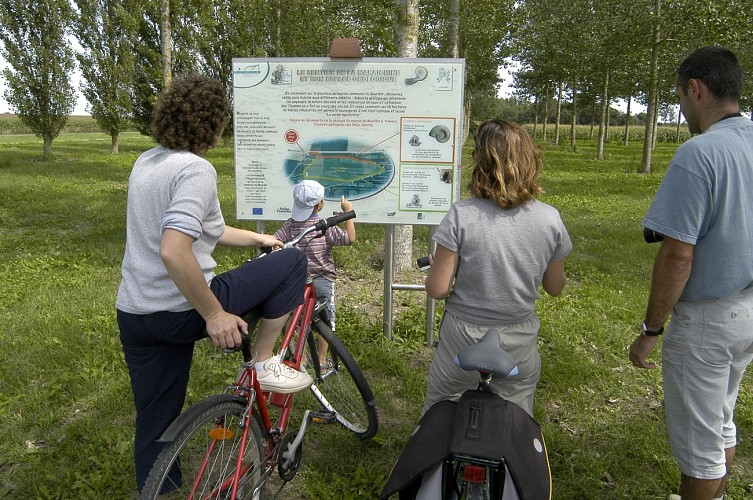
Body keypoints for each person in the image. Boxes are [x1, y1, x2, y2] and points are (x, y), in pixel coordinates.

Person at [115, 74, 312, 493]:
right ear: (215, 124)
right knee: (293, 262)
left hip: (135, 313)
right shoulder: (196, 169)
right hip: (183, 310)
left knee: (155, 417)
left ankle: (159, 490)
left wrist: (258, 238)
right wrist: (214, 313)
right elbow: (174, 249)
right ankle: (264, 359)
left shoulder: (147, 162)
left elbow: (210, 229)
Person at [629, 46, 753, 500]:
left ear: (695, 89)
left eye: (680, 95)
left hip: (707, 322)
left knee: (701, 449)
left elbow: (678, 256)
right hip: (747, 309)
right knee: (721, 420)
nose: (680, 105)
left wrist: (651, 329)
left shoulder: (698, 154)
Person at [423, 118, 571, 418]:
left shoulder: (461, 215)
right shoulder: (550, 219)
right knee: (516, 413)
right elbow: (555, 287)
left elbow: (437, 290)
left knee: (441, 406)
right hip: (518, 336)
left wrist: (441, 262)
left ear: (481, 162)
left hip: (463, 336)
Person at [274, 180, 355, 370]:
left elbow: (276, 241)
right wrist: (348, 214)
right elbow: (350, 238)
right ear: (320, 204)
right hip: (324, 279)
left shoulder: (291, 226)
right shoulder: (324, 226)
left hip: (298, 280)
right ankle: (322, 359)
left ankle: (299, 358)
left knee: (297, 318)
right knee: (325, 320)